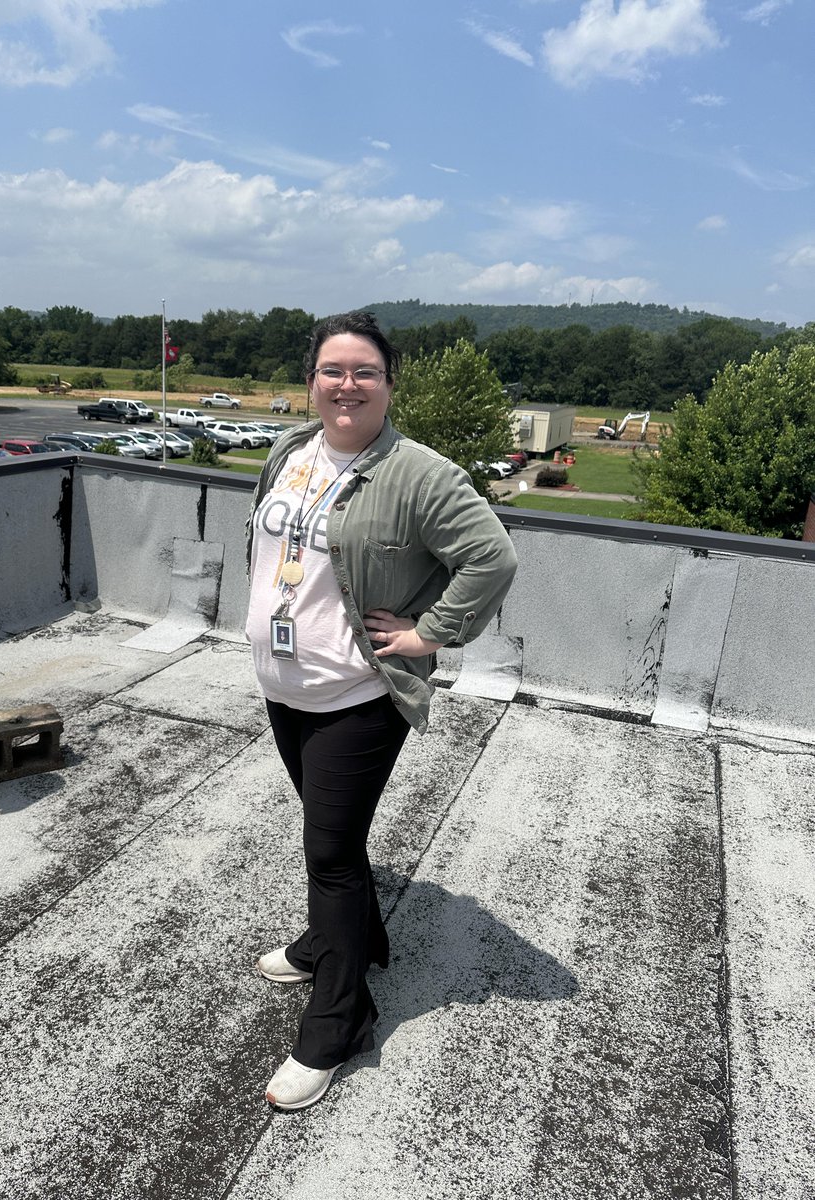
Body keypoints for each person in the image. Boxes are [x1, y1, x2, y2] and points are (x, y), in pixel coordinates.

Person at [245, 311, 518, 1110]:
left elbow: (491, 558)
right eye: (333, 370)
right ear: (312, 381)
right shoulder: (291, 451)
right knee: (336, 841)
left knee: (329, 850)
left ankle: (339, 1019)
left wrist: (430, 633)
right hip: (285, 688)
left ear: (389, 384)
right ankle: (345, 939)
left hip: (357, 695)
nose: (347, 384)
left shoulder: (419, 472)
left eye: (365, 371)